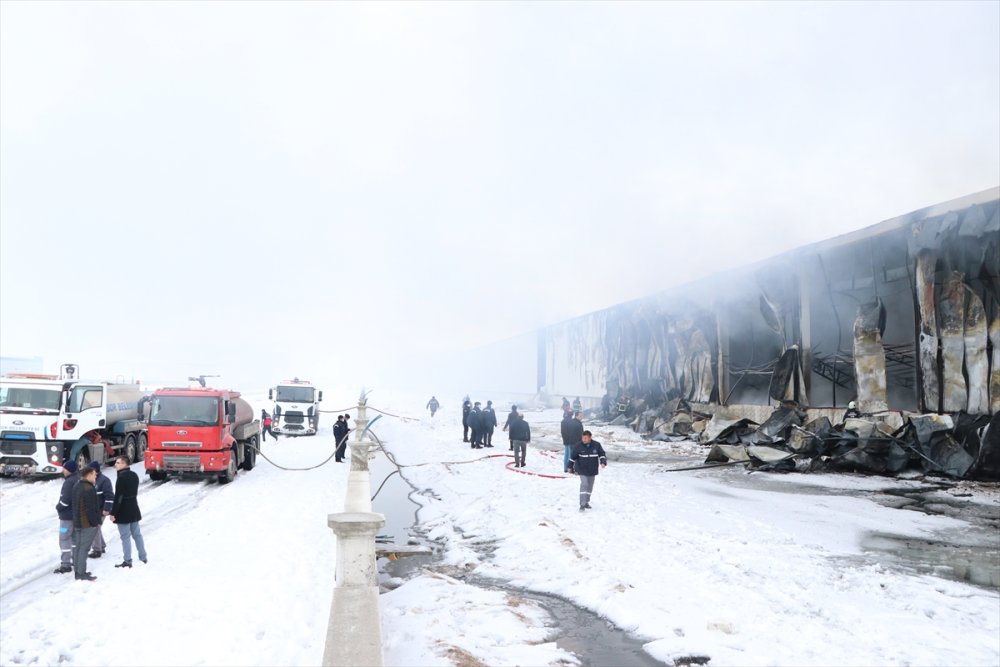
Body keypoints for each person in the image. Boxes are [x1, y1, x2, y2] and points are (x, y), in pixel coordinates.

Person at [110, 456, 147, 567]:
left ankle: (127, 560)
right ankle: (143, 557)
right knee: (137, 534)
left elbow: (119, 497)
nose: (115, 464)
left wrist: (113, 513)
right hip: (134, 509)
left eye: (118, 462)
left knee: (125, 537)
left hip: (123, 512)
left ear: (124, 464)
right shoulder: (134, 475)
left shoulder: (121, 478)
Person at [71, 465, 101, 581]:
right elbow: (91, 508)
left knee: (78, 547)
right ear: (88, 475)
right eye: (94, 474)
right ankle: (81, 573)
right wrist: (95, 523)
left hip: (77, 523)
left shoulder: (77, 485)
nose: (96, 476)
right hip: (87, 524)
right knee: (84, 549)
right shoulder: (89, 488)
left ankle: (78, 572)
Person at [568, 431, 607, 511]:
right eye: (583, 438)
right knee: (584, 484)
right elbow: (572, 457)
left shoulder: (597, 445)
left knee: (590, 486)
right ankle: (582, 504)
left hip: (592, 469)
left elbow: (602, 454)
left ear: (590, 437)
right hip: (581, 469)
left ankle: (586, 502)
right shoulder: (578, 446)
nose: (583, 440)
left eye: (585, 438)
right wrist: (570, 467)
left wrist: (603, 462)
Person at [53, 460, 79, 574]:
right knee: (74, 538)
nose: (63, 471)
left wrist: (59, 507)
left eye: (65, 469)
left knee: (64, 538)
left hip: (67, 517)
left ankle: (65, 564)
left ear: (69, 470)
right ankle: (75, 559)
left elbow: (65, 500)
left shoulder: (69, 482)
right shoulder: (78, 479)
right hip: (76, 516)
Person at [88, 461, 113, 558]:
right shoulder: (90, 480)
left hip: (101, 509)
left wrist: (107, 509)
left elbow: (109, 496)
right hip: (93, 510)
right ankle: (101, 546)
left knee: (94, 528)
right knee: (96, 528)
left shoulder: (104, 481)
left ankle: (97, 550)